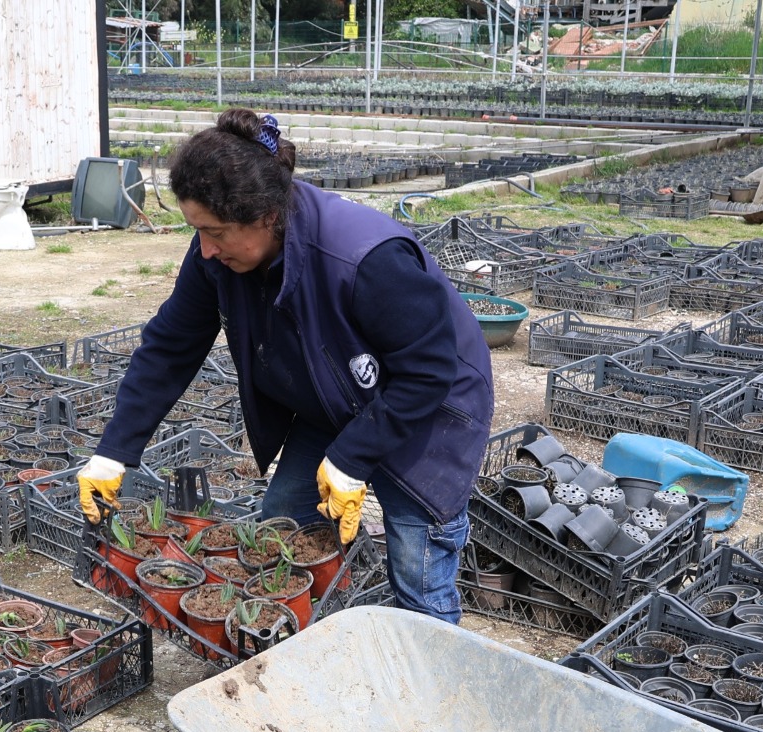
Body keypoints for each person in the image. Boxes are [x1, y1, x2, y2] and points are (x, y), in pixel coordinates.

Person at [77, 108, 494, 623]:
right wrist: (114, 452)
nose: (205, 249)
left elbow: (429, 371)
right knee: (283, 521)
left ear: (266, 216)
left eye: (215, 232)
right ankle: (314, 630)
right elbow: (170, 346)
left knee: (417, 567)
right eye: (196, 230)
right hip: (336, 398)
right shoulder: (217, 256)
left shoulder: (363, 257)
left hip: (430, 411)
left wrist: (352, 458)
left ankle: (425, 654)